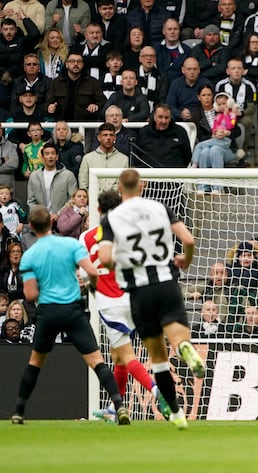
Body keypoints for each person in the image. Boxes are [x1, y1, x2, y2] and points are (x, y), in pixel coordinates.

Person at [97, 169, 206, 429]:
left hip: (139, 291)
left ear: (120, 188)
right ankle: (184, 349)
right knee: (178, 338)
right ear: (143, 185)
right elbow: (188, 239)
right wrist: (186, 259)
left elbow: (104, 258)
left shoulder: (112, 218)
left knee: (158, 358)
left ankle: (178, 416)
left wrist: (123, 262)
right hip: (167, 283)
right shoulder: (160, 208)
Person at [11, 205, 130, 425]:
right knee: (97, 361)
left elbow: (29, 294)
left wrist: (43, 288)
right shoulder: (70, 244)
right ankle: (120, 407)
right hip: (73, 310)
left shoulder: (30, 256)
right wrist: (90, 286)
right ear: (51, 222)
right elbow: (92, 271)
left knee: (35, 362)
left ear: (32, 227)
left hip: (48, 311)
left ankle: (19, 411)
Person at [82, 189, 171, 421]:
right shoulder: (130, 233)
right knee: (118, 356)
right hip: (133, 298)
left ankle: (155, 389)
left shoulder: (87, 236)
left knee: (126, 354)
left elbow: (85, 273)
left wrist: (93, 284)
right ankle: (116, 408)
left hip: (109, 302)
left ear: (99, 209)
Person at [27, 142, 77, 224]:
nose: (50, 156)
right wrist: (41, 216)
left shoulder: (68, 175)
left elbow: (72, 199)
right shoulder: (34, 176)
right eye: (47, 154)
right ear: (42, 157)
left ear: (57, 157)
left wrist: (58, 214)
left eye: (53, 153)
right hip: (41, 221)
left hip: (63, 220)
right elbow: (31, 201)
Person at [45, 52, 105, 121]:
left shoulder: (93, 83)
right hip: (62, 126)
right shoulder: (56, 83)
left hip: (86, 125)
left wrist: (96, 106)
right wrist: (49, 108)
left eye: (79, 61)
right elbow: (48, 103)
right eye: (72, 61)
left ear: (83, 64)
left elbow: (102, 101)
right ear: (66, 64)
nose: (76, 64)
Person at [78, 122, 127, 190]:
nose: (108, 138)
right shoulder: (88, 158)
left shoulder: (124, 159)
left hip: (116, 199)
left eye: (111, 135)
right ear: (99, 137)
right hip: (93, 198)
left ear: (115, 138)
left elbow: (126, 184)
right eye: (105, 135)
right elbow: (83, 184)